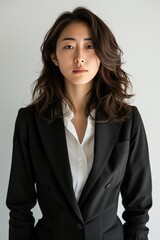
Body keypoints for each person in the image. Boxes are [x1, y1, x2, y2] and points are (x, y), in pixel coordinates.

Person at [6, 7, 152, 240]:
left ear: (103, 53)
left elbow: (138, 210)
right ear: (54, 56)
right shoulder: (30, 121)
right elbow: (19, 207)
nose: (79, 56)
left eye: (90, 45)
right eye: (69, 46)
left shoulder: (127, 120)